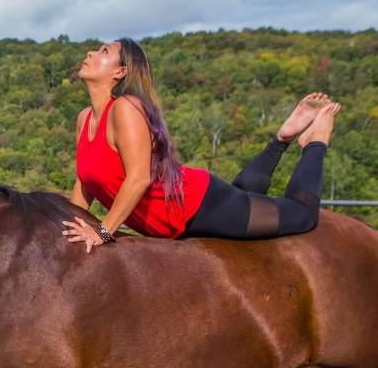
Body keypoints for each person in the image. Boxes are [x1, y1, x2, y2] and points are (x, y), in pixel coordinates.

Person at [62, 38, 340, 253]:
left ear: (120, 72)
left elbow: (138, 178)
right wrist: (66, 225)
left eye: (104, 52)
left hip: (197, 205)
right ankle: (282, 137)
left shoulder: (125, 108)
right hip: (177, 218)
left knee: (302, 215)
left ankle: (315, 140)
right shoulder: (85, 118)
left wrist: (102, 232)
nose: (91, 53)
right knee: (243, 193)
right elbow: (86, 181)